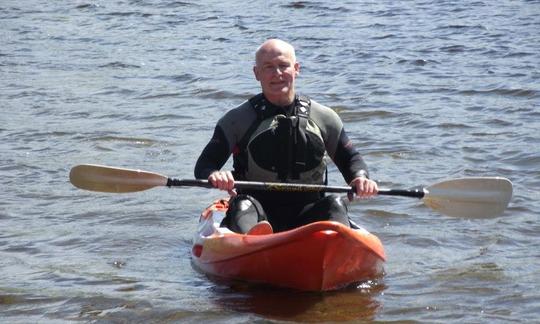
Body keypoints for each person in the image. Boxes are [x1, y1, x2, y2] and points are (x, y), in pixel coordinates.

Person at [194, 39, 378, 234]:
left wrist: (360, 178)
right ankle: (253, 246)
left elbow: (350, 158)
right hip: (256, 211)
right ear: (257, 73)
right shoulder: (236, 120)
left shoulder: (325, 118)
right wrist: (215, 174)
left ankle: (333, 249)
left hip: (309, 212)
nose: (277, 74)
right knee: (242, 206)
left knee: (335, 203)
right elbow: (204, 165)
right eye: (268, 67)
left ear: (296, 68)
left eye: (283, 66)